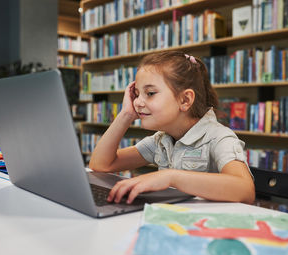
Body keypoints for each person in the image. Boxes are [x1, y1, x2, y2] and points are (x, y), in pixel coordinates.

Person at [89, 51, 255, 205]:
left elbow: (245, 190)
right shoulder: (161, 140)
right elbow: (101, 164)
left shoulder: (218, 137)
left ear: (185, 100)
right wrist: (126, 114)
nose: (138, 102)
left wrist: (170, 177)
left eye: (150, 93)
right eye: (137, 94)